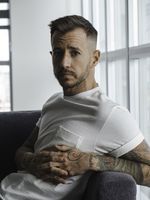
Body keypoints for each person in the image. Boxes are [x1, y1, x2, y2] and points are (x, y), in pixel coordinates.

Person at [0, 15, 150, 200]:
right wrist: (31, 161)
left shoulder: (109, 114)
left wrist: (91, 161)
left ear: (94, 58)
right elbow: (23, 149)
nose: (64, 63)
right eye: (58, 52)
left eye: (74, 52)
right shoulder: (53, 102)